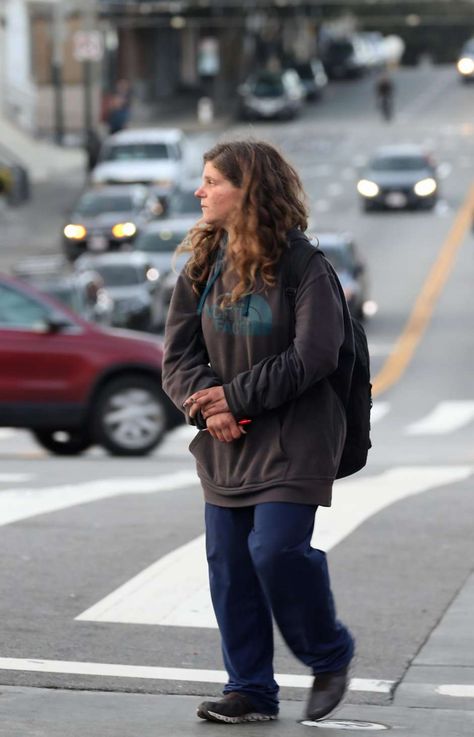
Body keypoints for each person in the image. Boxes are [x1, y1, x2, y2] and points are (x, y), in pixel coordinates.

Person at [162, 140, 355, 725]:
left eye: (213, 180)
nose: (200, 190)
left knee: (274, 550)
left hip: (296, 436)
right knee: (230, 565)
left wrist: (234, 396)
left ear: (249, 190)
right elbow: (178, 355)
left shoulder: (303, 264)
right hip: (226, 442)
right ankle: (249, 690)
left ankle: (329, 654)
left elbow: (316, 354)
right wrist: (206, 407)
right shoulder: (202, 265)